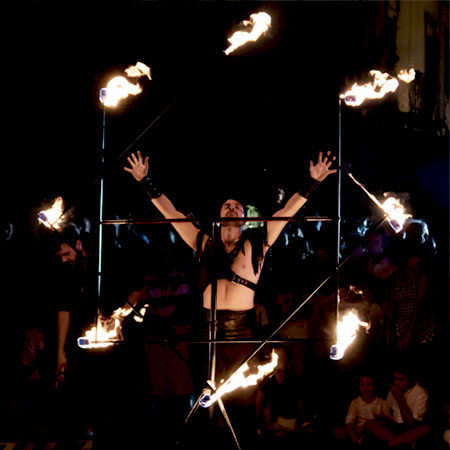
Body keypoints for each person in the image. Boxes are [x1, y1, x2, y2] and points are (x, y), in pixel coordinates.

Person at [124, 149, 336, 446]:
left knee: (240, 401)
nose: (231, 207)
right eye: (226, 205)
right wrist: (145, 181)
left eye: (237, 206)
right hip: (207, 328)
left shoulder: (256, 243)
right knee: (205, 399)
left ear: (244, 216)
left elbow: (285, 213)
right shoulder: (204, 243)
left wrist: (311, 183)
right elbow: (171, 214)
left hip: (240, 331)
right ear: (219, 213)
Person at [364, 360, 431, 448]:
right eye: (395, 379)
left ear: (412, 379)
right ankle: (400, 444)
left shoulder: (421, 394)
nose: (396, 383)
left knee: (426, 429)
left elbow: (411, 424)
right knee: (369, 424)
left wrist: (399, 398)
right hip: (394, 427)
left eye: (401, 379)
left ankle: (393, 443)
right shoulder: (394, 389)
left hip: (409, 429)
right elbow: (389, 412)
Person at [334, 372, 391, 448]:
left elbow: (388, 419)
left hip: (376, 431)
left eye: (369, 384)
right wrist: (354, 439)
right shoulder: (355, 403)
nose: (366, 388)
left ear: (374, 385)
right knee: (339, 431)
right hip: (359, 431)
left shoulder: (382, 403)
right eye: (362, 385)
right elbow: (349, 421)